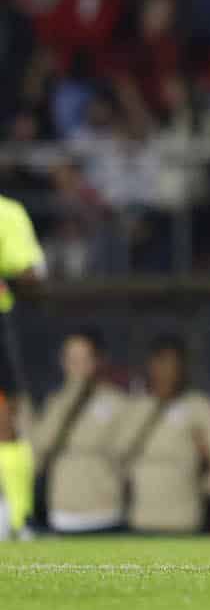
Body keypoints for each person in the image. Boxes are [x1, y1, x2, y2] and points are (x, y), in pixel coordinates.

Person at [121, 335, 210, 534]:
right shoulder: (135, 408)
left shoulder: (200, 407)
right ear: (151, 366)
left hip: (185, 523)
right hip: (140, 522)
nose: (167, 371)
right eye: (160, 363)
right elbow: (118, 460)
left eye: (173, 364)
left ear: (183, 367)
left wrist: (196, 492)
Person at [30, 328, 129, 534]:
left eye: (84, 358)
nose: (77, 366)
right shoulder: (55, 402)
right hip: (62, 513)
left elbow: (127, 456)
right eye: (71, 358)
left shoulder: (116, 402)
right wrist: (67, 399)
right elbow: (40, 445)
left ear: (98, 361)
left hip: (105, 512)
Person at [0, 194, 45, 539]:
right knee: (5, 420)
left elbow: (32, 272)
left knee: (5, 419)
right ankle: (16, 519)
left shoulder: (7, 212)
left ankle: (17, 519)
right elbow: (32, 273)